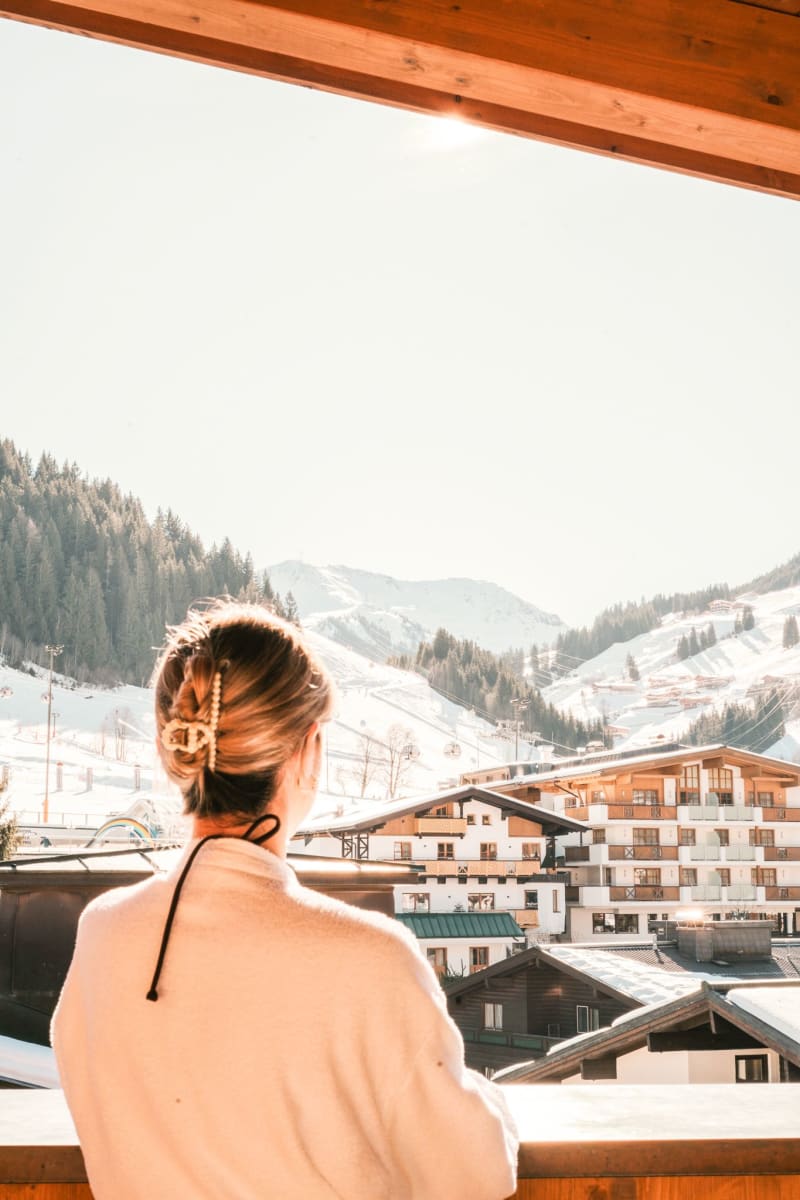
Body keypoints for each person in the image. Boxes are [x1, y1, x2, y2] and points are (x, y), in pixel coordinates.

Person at [52, 602, 518, 1199]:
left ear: (182, 753)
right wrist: (492, 1103)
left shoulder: (103, 934)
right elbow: (475, 1174)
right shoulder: (369, 957)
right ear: (309, 752)